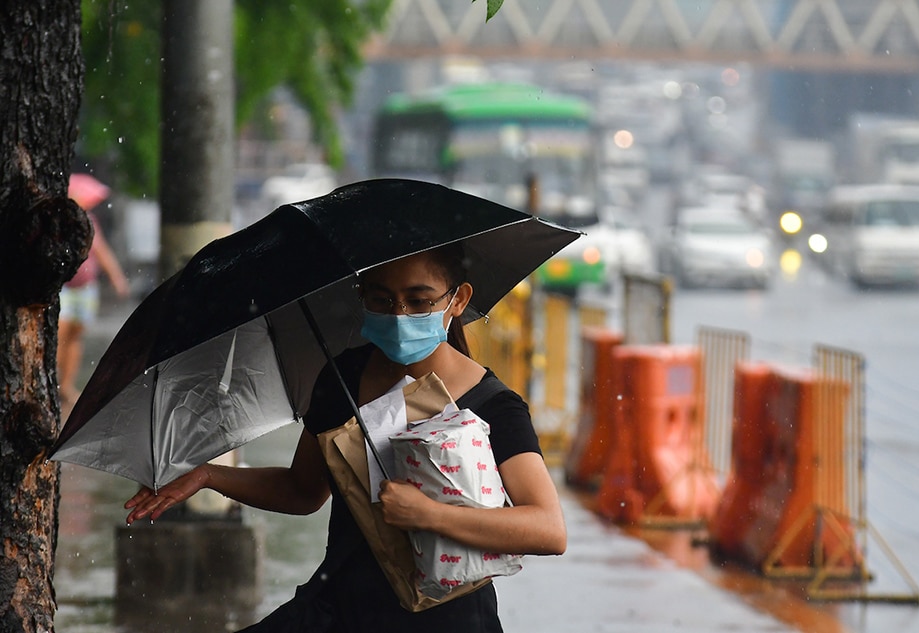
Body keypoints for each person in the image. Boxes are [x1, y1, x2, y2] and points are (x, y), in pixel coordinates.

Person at [124, 244, 567, 632]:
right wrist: (206, 475)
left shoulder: (491, 404)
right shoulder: (341, 377)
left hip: (448, 619)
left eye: (419, 301)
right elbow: (302, 491)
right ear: (362, 297)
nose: (400, 316)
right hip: (339, 610)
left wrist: (431, 515)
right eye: (383, 299)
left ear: (457, 300)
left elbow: (547, 529)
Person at [58, 175, 130, 409]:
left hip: (85, 287)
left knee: (75, 335)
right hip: (64, 287)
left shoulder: (91, 221)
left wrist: (116, 277)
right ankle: (55, 382)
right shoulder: (59, 221)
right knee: (60, 334)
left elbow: (102, 251)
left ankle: (67, 384)